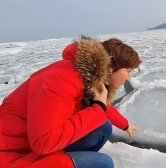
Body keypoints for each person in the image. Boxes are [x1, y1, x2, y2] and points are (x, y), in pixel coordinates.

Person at [0, 36, 142, 168]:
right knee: (103, 163)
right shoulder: (61, 81)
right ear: (111, 69)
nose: (129, 77)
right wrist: (98, 108)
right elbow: (43, 143)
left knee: (103, 127)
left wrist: (125, 125)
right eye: (128, 71)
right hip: (12, 155)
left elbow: (101, 105)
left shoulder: (86, 76)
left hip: (31, 143)